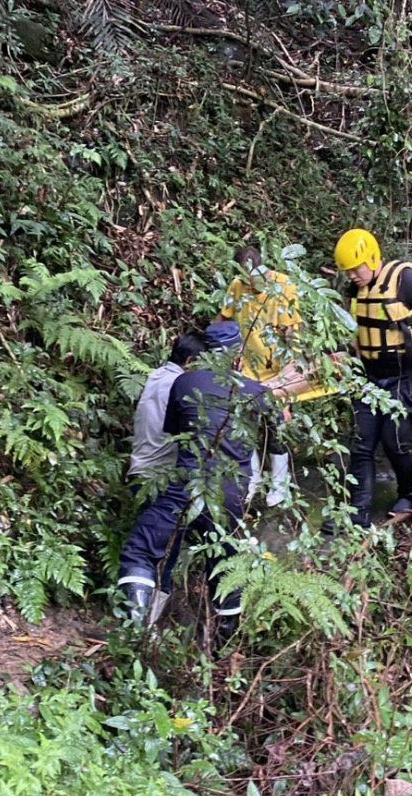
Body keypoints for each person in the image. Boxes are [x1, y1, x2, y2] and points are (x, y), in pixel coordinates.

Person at [117, 321, 270, 633]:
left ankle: (137, 631)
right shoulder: (256, 393)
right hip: (231, 494)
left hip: (184, 483)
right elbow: (272, 442)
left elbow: (175, 433)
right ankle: (225, 644)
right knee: (226, 567)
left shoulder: (183, 383)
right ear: (239, 356)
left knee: (146, 550)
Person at [328, 228, 412, 529]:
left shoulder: (404, 279)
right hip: (369, 373)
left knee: (395, 442)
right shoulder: (358, 288)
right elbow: (361, 326)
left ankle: (409, 492)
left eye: (356, 267)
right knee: (362, 443)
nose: (352, 274)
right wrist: (349, 358)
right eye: (347, 270)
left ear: (372, 258)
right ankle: (358, 510)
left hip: (406, 373)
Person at [218, 246, 301, 506]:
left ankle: (279, 484)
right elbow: (223, 319)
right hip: (246, 371)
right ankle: (252, 480)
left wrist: (289, 385)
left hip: (276, 372)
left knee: (277, 429)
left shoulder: (283, 286)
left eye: (254, 278)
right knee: (246, 430)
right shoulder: (236, 286)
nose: (251, 284)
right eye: (246, 279)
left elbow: (292, 336)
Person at [127, 331, 209, 491]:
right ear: (190, 361)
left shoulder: (156, 376)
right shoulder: (182, 385)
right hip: (161, 478)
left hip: (139, 471)